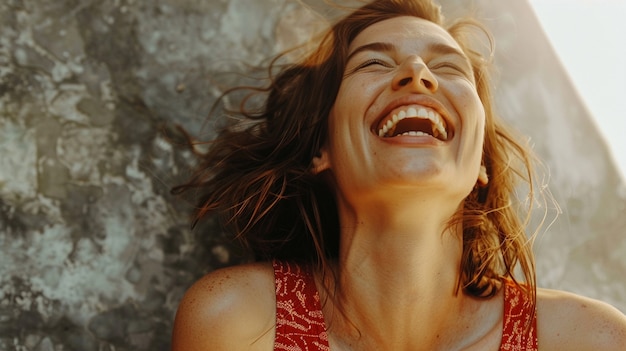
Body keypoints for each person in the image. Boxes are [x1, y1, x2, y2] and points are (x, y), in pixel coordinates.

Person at [171, 0, 626, 349]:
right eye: (373, 63)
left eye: (448, 67)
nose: (416, 73)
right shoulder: (241, 325)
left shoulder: (588, 339)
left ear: (482, 163)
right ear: (320, 150)